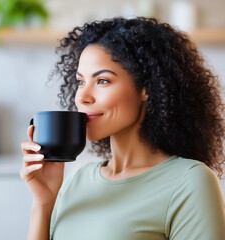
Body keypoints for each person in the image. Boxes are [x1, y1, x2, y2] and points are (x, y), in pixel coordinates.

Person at [20, 17, 225, 240]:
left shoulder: (189, 182)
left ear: (147, 88)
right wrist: (43, 202)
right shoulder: (76, 180)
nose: (82, 97)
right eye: (80, 81)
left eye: (103, 81)